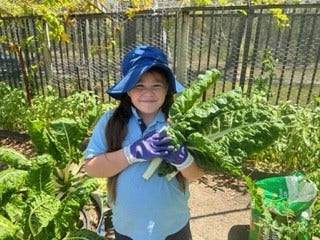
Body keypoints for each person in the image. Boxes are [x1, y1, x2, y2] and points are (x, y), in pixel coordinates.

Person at [84, 45, 204, 240]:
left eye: (156, 85)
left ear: (167, 89)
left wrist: (183, 159)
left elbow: (197, 174)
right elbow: (91, 168)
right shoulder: (110, 121)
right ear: (127, 91)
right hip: (127, 228)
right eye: (139, 85)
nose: (148, 92)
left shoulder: (180, 121)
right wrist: (132, 153)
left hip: (173, 228)